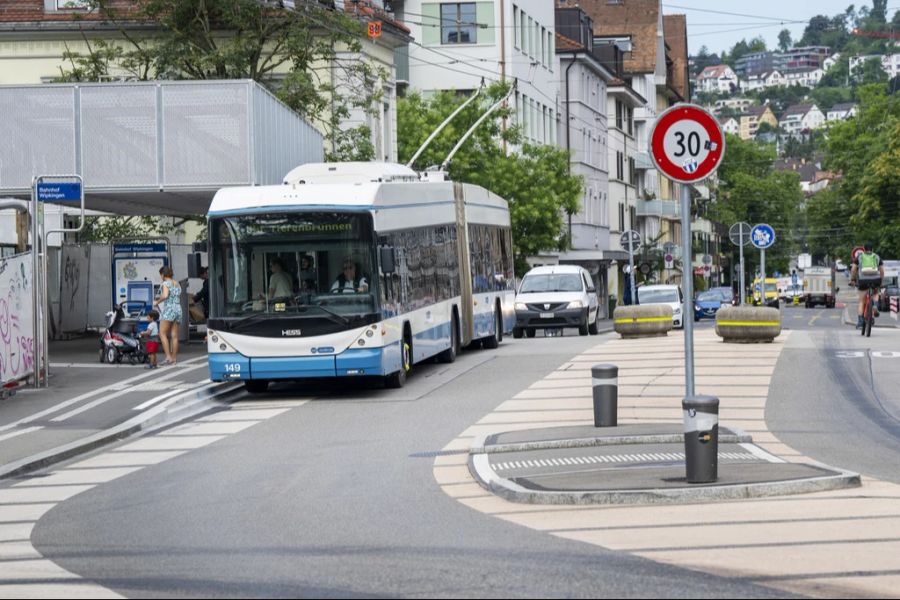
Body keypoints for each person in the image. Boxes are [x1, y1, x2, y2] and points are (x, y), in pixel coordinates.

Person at [851, 242, 885, 329]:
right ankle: (875, 306)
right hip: (875, 279)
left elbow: (854, 269)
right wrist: (881, 281)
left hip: (863, 280)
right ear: (872, 249)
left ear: (864, 249)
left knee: (861, 301)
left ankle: (860, 321)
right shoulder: (877, 256)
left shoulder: (860, 256)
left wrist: (853, 279)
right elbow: (882, 270)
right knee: (876, 293)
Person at [155, 266, 182, 366]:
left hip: (169, 309)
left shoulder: (165, 283)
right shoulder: (177, 283)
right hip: (178, 309)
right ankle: (174, 359)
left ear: (163, 274)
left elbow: (165, 295)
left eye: (160, 275)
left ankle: (168, 357)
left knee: (162, 333)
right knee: (174, 336)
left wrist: (157, 301)